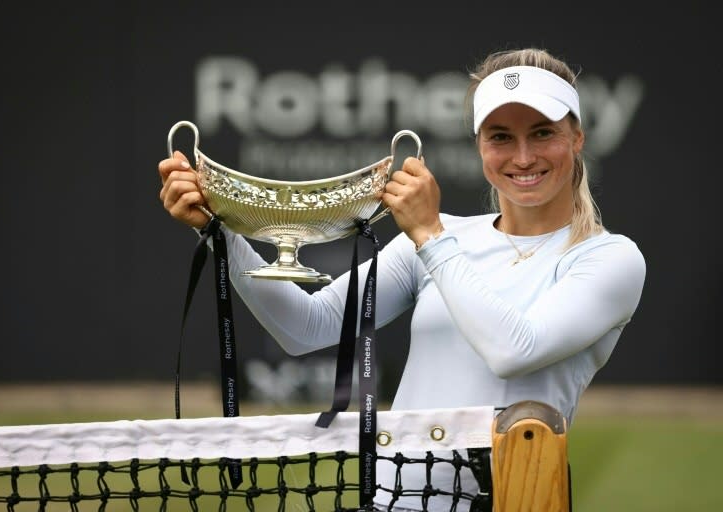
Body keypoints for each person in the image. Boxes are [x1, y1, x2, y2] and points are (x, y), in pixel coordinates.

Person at [158, 47, 646, 511]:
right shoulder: (443, 237)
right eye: (500, 136)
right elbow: (307, 327)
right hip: (392, 498)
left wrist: (430, 235)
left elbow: (514, 350)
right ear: (480, 144)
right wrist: (218, 232)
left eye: (543, 133)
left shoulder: (609, 258)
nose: (522, 157)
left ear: (577, 137)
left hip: (507, 501)